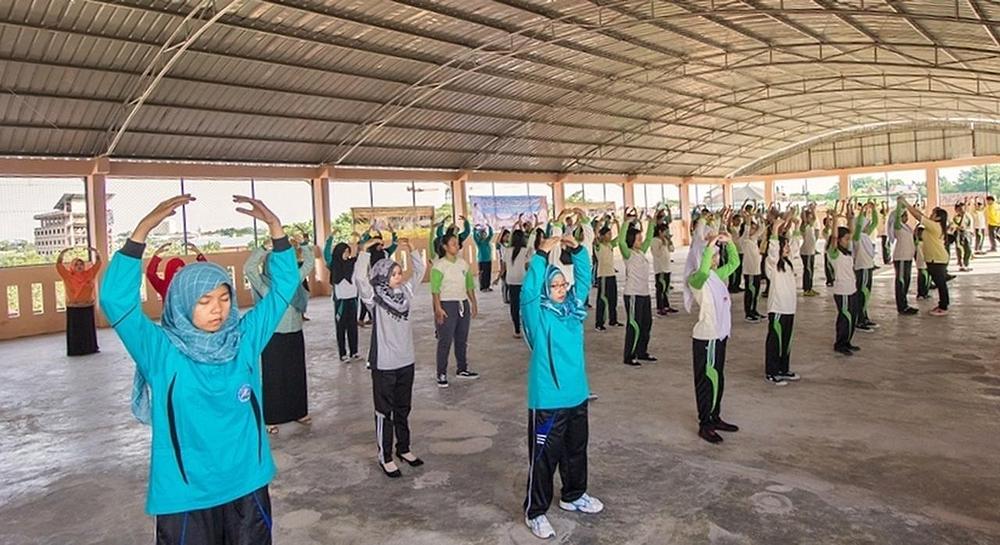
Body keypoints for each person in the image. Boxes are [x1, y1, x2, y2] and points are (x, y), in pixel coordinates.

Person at [100, 194, 296, 544]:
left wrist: (276, 230)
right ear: (181, 303)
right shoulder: (161, 351)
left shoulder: (244, 340)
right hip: (185, 496)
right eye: (204, 301)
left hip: (247, 485)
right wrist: (142, 231)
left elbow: (284, 288)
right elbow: (115, 300)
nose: (217, 310)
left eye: (224, 298)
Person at [521, 235, 602, 540]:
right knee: (544, 458)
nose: (560, 289)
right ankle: (535, 512)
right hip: (548, 400)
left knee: (576, 450)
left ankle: (574, 495)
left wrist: (577, 249)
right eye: (554, 285)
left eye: (562, 284)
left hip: (577, 395)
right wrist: (542, 255)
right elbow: (529, 291)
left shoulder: (573, 309)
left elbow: (585, 277)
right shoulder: (537, 315)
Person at [353, 237, 426, 478]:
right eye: (393, 274)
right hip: (385, 364)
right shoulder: (374, 299)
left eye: (399, 272)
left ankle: (403, 448)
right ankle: (384, 456)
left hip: (406, 361)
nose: (398, 276)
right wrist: (364, 251)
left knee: (403, 408)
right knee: (384, 411)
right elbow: (360, 279)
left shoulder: (405, 293)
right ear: (383, 276)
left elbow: (420, 271)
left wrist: (412, 249)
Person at [245, 238, 315, 435]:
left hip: (295, 332)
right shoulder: (265, 285)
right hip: (273, 335)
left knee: (296, 374)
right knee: (273, 376)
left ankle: (299, 412)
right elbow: (249, 268)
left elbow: (309, 263)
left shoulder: (293, 281)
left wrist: (303, 245)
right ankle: (271, 418)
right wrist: (263, 248)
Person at [684, 219, 741, 444]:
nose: (717, 258)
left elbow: (735, 262)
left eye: (717, 255)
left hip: (719, 336)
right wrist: (709, 245)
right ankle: (705, 423)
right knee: (706, 381)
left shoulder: (716, 275)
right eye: (713, 256)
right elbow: (704, 270)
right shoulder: (697, 279)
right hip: (706, 338)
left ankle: (715, 417)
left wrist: (730, 243)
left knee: (718, 378)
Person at [431, 232, 480, 387]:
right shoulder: (439, 265)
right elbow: (435, 290)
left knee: (461, 339)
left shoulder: (463, 264)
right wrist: (438, 308)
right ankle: (441, 373)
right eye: (453, 244)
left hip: (462, 303)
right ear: (445, 247)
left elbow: (469, 285)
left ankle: (462, 369)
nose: (457, 246)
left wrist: (473, 303)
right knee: (445, 340)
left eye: (457, 243)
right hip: (447, 305)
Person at [764, 215, 801, 385]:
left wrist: (796, 227)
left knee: (786, 342)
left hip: (789, 309)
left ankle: (783, 369)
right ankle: (772, 372)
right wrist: (774, 230)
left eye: (786, 245)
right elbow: (772, 251)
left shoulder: (788, 263)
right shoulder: (772, 264)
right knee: (775, 342)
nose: (787, 248)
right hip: (778, 309)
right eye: (783, 245)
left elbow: (796, 246)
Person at [899, 197, 950, 316]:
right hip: (934, 259)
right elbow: (921, 216)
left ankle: (943, 306)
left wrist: (906, 204)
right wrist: (915, 208)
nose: (931, 215)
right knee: (940, 283)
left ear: (938, 217)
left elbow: (919, 217)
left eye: (933, 213)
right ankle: (943, 304)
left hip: (937, 259)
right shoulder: (934, 225)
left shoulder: (935, 226)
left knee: (941, 284)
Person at [618, 209, 656, 366]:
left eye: (641, 238)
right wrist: (626, 222)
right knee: (634, 325)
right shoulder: (628, 254)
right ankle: (629, 356)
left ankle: (641, 351)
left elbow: (649, 238)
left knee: (646, 324)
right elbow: (621, 242)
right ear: (632, 240)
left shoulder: (641, 252)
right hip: (633, 294)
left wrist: (651, 223)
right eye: (638, 239)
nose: (641, 241)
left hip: (644, 293)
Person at [828, 202, 861, 356]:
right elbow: (834, 237)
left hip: (852, 289)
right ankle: (840, 344)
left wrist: (850, 218)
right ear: (839, 240)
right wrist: (835, 220)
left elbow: (852, 233)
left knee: (852, 317)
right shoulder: (834, 254)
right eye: (846, 239)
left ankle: (847, 341)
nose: (848, 241)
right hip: (843, 291)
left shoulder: (847, 252)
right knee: (845, 318)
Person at [56, 246, 102, 356]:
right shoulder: (68, 276)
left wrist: (96, 252)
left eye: (81, 264)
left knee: (87, 329)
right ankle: (75, 350)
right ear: (72, 266)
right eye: (76, 264)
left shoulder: (89, 274)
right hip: (74, 307)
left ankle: (90, 348)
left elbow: (98, 264)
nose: (79, 266)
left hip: (87, 306)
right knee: (75, 330)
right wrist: (62, 253)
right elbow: (59, 265)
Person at [324, 237, 361, 362]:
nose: (347, 254)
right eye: (344, 251)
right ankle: (343, 353)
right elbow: (326, 254)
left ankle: (354, 351)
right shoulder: (334, 264)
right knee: (341, 327)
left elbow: (362, 253)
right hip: (341, 301)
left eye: (348, 251)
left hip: (352, 299)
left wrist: (363, 238)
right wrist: (330, 239)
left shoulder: (353, 263)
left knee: (353, 327)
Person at [888, 201, 919, 315]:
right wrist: (899, 205)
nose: (907, 217)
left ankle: (905, 304)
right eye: (904, 215)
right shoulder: (897, 227)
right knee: (901, 282)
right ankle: (901, 306)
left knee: (906, 280)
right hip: (901, 257)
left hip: (907, 257)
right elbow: (897, 218)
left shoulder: (906, 227)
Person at [852, 202, 879, 332]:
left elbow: (875, 222)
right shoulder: (857, 237)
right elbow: (858, 226)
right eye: (866, 225)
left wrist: (873, 210)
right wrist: (862, 210)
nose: (869, 226)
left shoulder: (865, 236)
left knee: (866, 294)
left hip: (868, 268)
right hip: (862, 268)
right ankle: (859, 320)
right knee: (862, 294)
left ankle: (864, 317)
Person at [592, 216, 622, 331]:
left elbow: (620, 237)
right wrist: (599, 222)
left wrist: (617, 224)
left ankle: (613, 320)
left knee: (613, 299)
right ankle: (599, 323)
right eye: (608, 234)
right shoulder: (598, 245)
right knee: (602, 299)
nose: (610, 236)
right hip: (603, 276)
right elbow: (595, 235)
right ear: (602, 235)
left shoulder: (610, 245)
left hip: (611, 275)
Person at [738, 209, 764, 323]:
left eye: (754, 228)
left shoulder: (753, 239)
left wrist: (759, 217)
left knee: (756, 292)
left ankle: (754, 310)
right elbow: (747, 228)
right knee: (750, 292)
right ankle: (749, 313)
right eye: (752, 228)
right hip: (750, 272)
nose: (754, 229)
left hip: (756, 271)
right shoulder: (744, 240)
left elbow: (761, 228)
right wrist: (747, 219)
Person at [504, 229, 531, 338]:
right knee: (525, 305)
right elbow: (528, 267)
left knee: (514, 305)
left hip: (511, 281)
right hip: (523, 280)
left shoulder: (507, 250)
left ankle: (517, 329)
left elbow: (504, 265)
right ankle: (527, 328)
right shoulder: (526, 251)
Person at [651, 209, 678, 315]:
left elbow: (672, 249)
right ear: (660, 232)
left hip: (667, 267)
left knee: (666, 288)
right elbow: (656, 253)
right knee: (660, 288)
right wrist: (662, 243)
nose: (666, 233)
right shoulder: (655, 241)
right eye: (665, 232)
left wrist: (669, 242)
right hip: (660, 268)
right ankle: (660, 307)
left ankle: (666, 305)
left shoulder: (665, 240)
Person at [799, 206, 820, 297]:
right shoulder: (804, 226)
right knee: (807, 270)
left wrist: (813, 209)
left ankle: (810, 288)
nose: (811, 219)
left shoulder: (811, 226)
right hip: (806, 252)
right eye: (809, 217)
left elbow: (814, 218)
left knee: (811, 270)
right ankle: (806, 289)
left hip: (811, 252)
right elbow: (804, 219)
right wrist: (803, 210)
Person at [952, 201, 973, 272]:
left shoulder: (968, 216)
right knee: (960, 249)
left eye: (963, 208)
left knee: (968, 249)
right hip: (959, 234)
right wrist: (963, 216)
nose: (962, 210)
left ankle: (966, 263)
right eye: (960, 209)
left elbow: (970, 225)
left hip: (967, 233)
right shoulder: (956, 217)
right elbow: (960, 226)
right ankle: (961, 264)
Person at [473, 224, 495, 292]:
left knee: (488, 274)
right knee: (482, 274)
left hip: (488, 260)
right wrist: (474, 229)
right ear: (480, 235)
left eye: (485, 234)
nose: (484, 235)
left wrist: (489, 227)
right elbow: (475, 237)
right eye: (482, 234)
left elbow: (491, 234)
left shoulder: (487, 241)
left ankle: (487, 286)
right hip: (482, 261)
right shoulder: (479, 242)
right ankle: (482, 287)